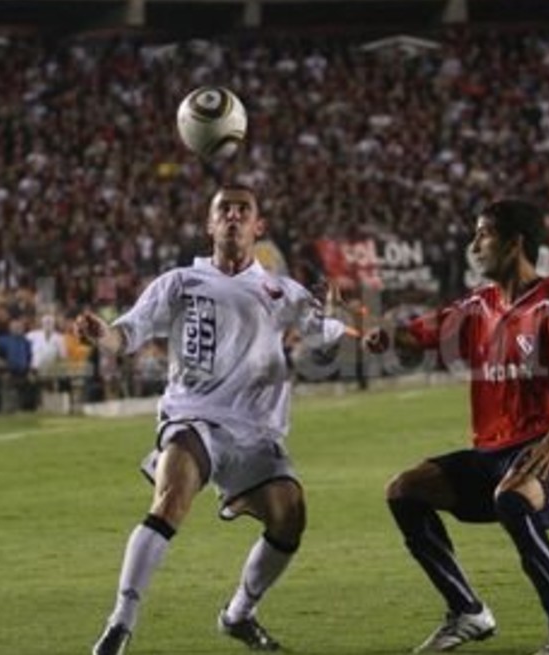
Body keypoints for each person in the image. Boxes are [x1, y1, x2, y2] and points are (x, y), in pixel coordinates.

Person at [77, 184, 348, 655]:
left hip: (256, 434)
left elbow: (323, 337)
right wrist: (103, 335)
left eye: (244, 210)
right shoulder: (179, 282)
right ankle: (119, 625)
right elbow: (127, 334)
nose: (233, 217)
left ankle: (239, 615)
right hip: (193, 418)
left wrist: (334, 317)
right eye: (224, 210)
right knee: (171, 498)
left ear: (259, 227)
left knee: (290, 516)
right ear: (210, 224)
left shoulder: (283, 291)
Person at [364, 200, 549, 655]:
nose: (474, 246)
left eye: (484, 234)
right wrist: (385, 333)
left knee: (513, 498)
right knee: (404, 490)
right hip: (493, 453)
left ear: (515, 244)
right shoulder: (478, 306)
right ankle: (467, 611)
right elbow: (418, 335)